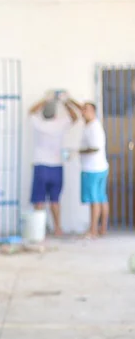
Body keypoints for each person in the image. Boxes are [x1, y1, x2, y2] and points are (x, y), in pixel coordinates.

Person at [28, 92, 78, 236]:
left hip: (41, 165)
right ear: (55, 114)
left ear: (43, 113)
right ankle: (58, 229)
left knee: (39, 199)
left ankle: (39, 230)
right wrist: (65, 101)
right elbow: (75, 117)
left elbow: (31, 111)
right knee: (55, 200)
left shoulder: (38, 123)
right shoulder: (60, 124)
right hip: (57, 167)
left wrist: (45, 99)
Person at [70, 100, 109, 238]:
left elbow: (95, 148)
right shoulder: (91, 125)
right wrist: (68, 99)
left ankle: (93, 230)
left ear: (92, 111)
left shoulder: (93, 127)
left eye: (85, 109)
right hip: (100, 167)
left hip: (92, 169)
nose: (82, 111)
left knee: (95, 200)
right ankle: (102, 229)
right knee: (101, 198)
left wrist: (78, 152)